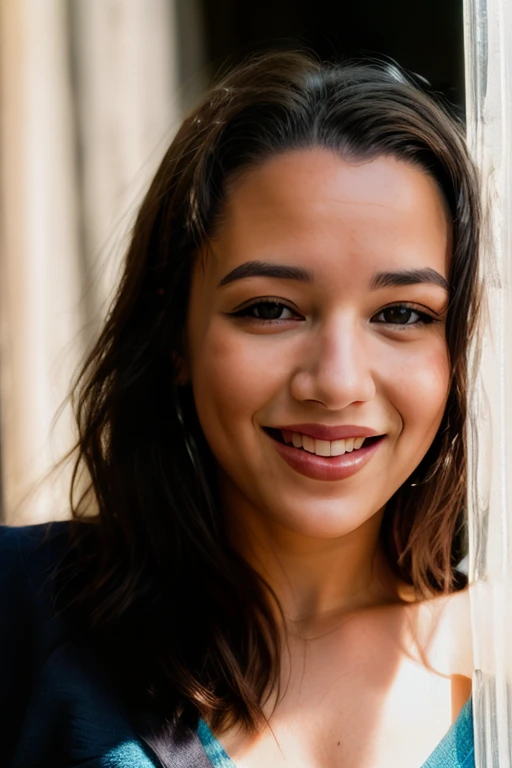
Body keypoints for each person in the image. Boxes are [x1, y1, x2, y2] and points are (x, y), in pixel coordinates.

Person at [1, 50, 480, 768]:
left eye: (404, 313)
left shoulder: (497, 666)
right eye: (270, 308)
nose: (338, 382)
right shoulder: (23, 611)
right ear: (176, 336)